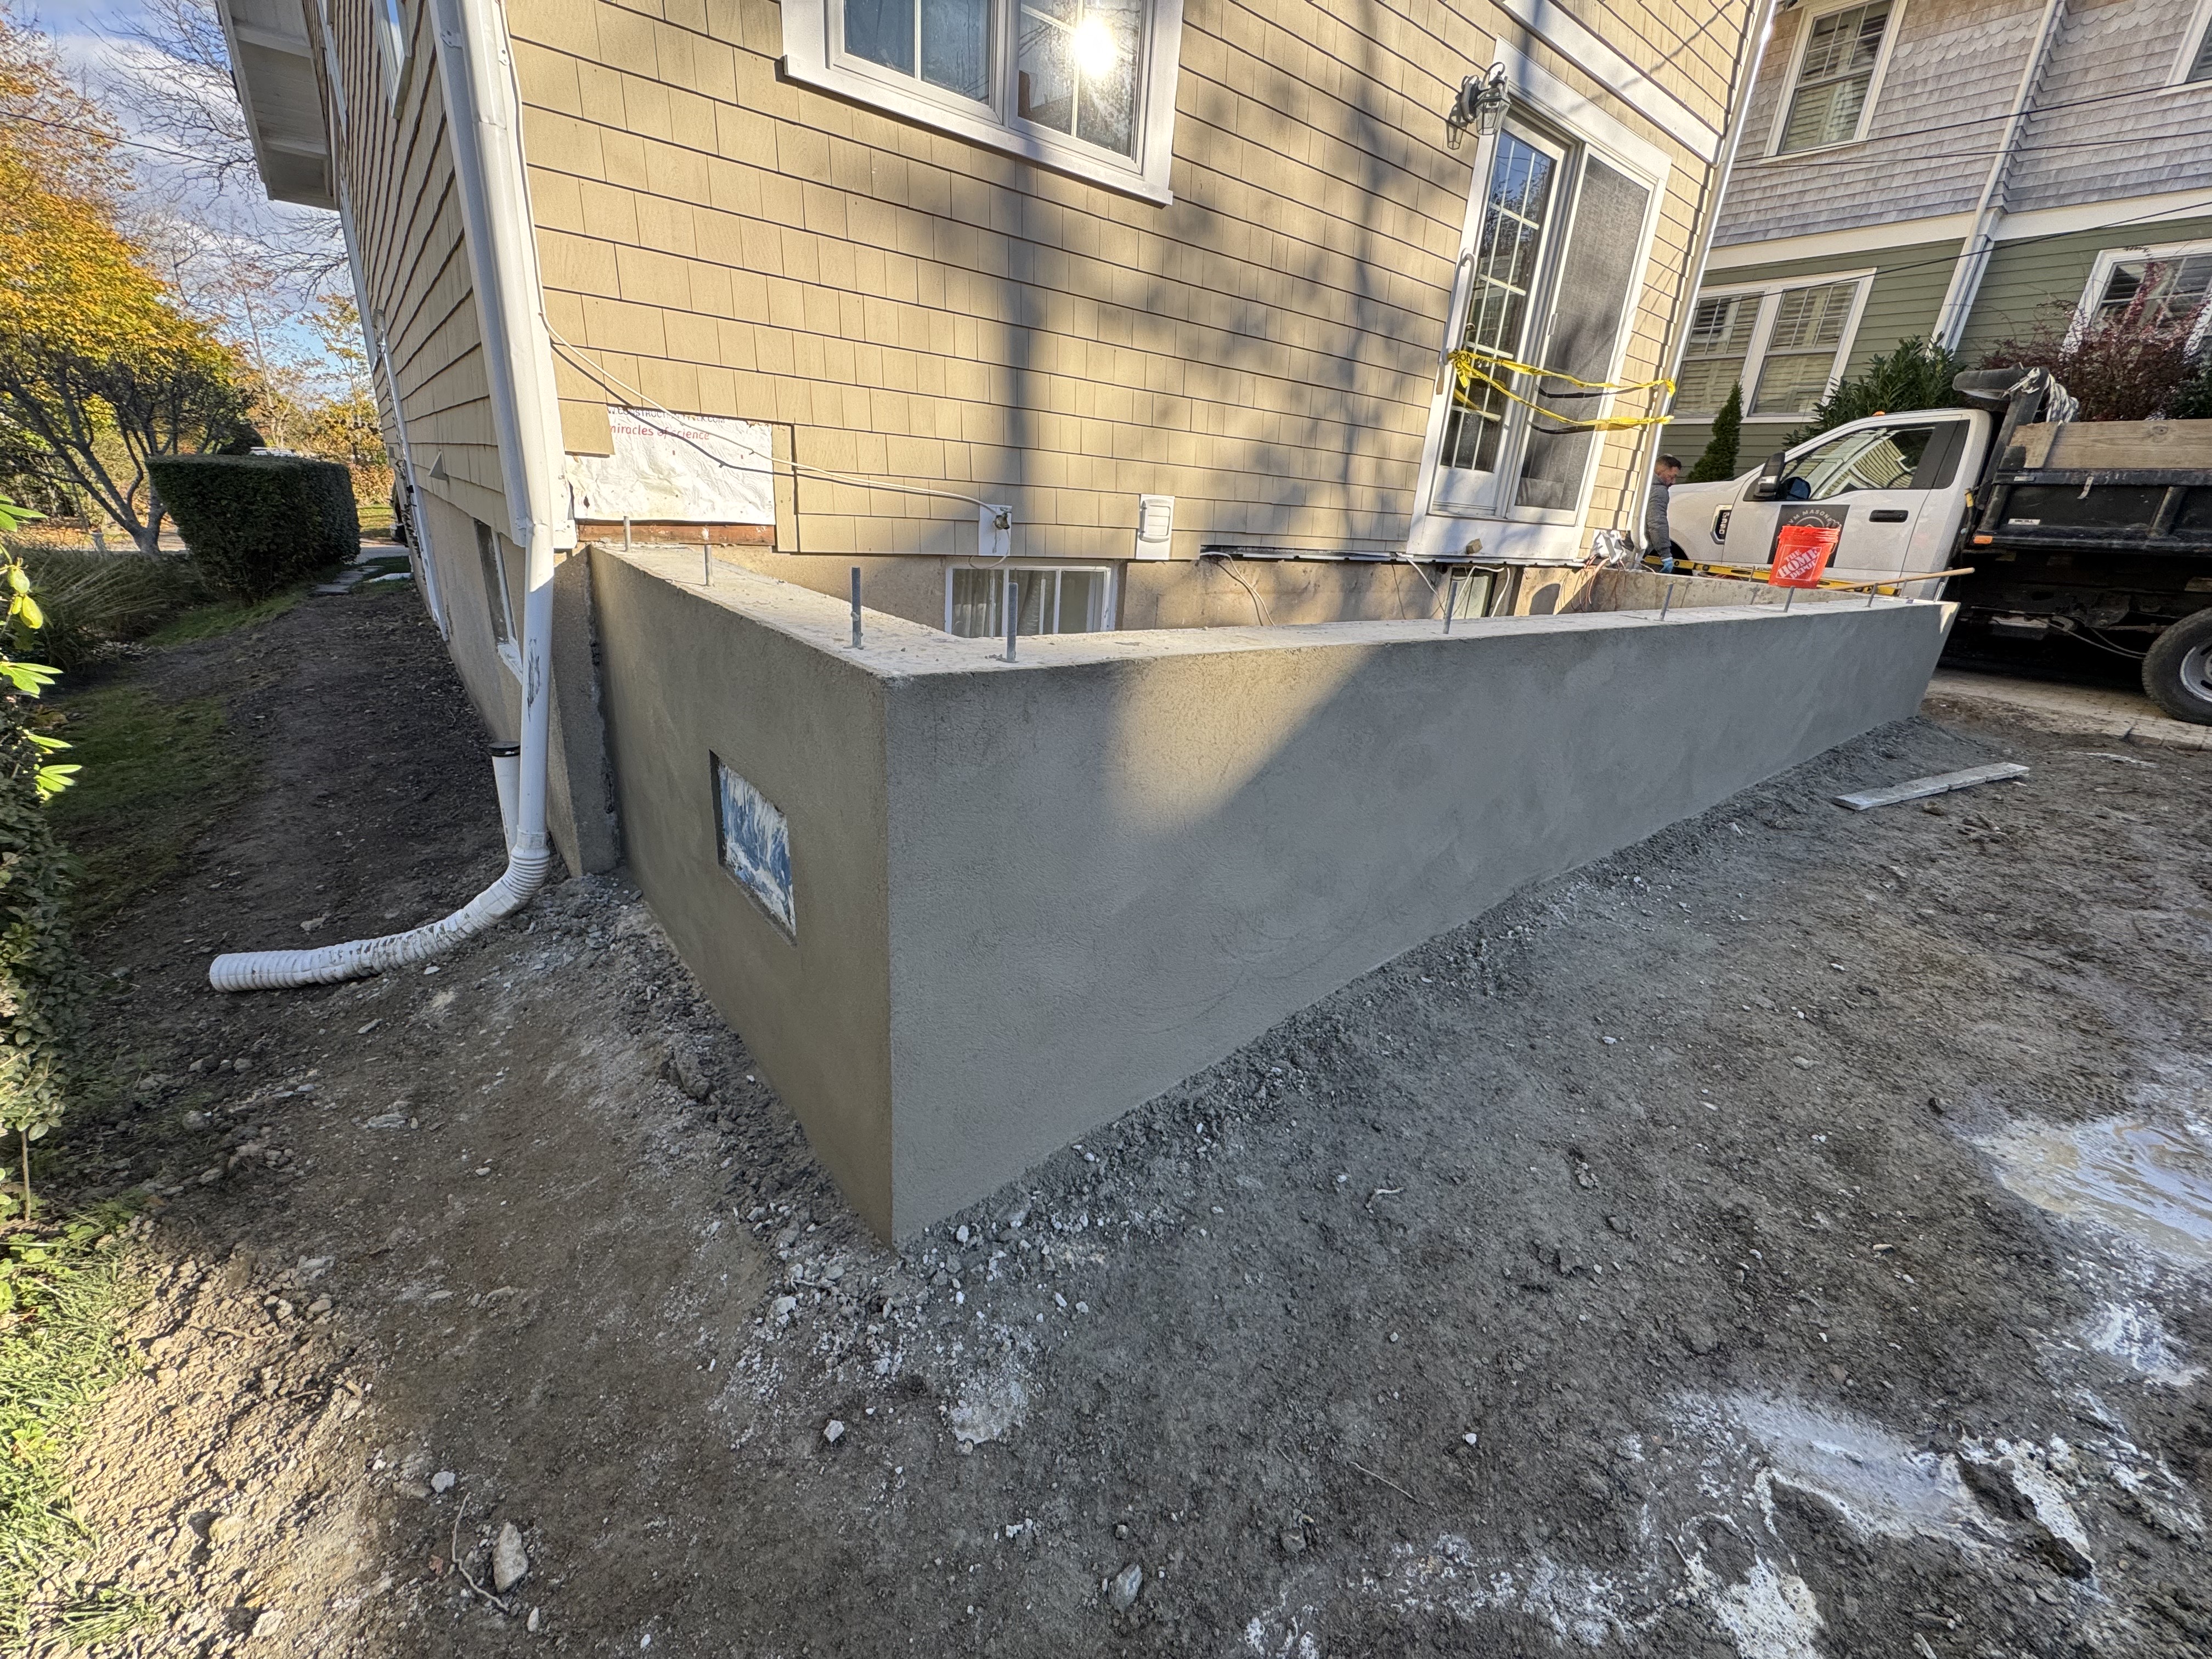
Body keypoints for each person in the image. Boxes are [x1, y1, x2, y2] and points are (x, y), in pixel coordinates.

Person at [1645, 454, 1683, 571]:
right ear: (1660, 471)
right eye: (1672, 477)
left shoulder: (1643, 484)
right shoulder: (1659, 491)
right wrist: (1666, 555)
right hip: (1632, 548)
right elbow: (1657, 522)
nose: (1674, 482)